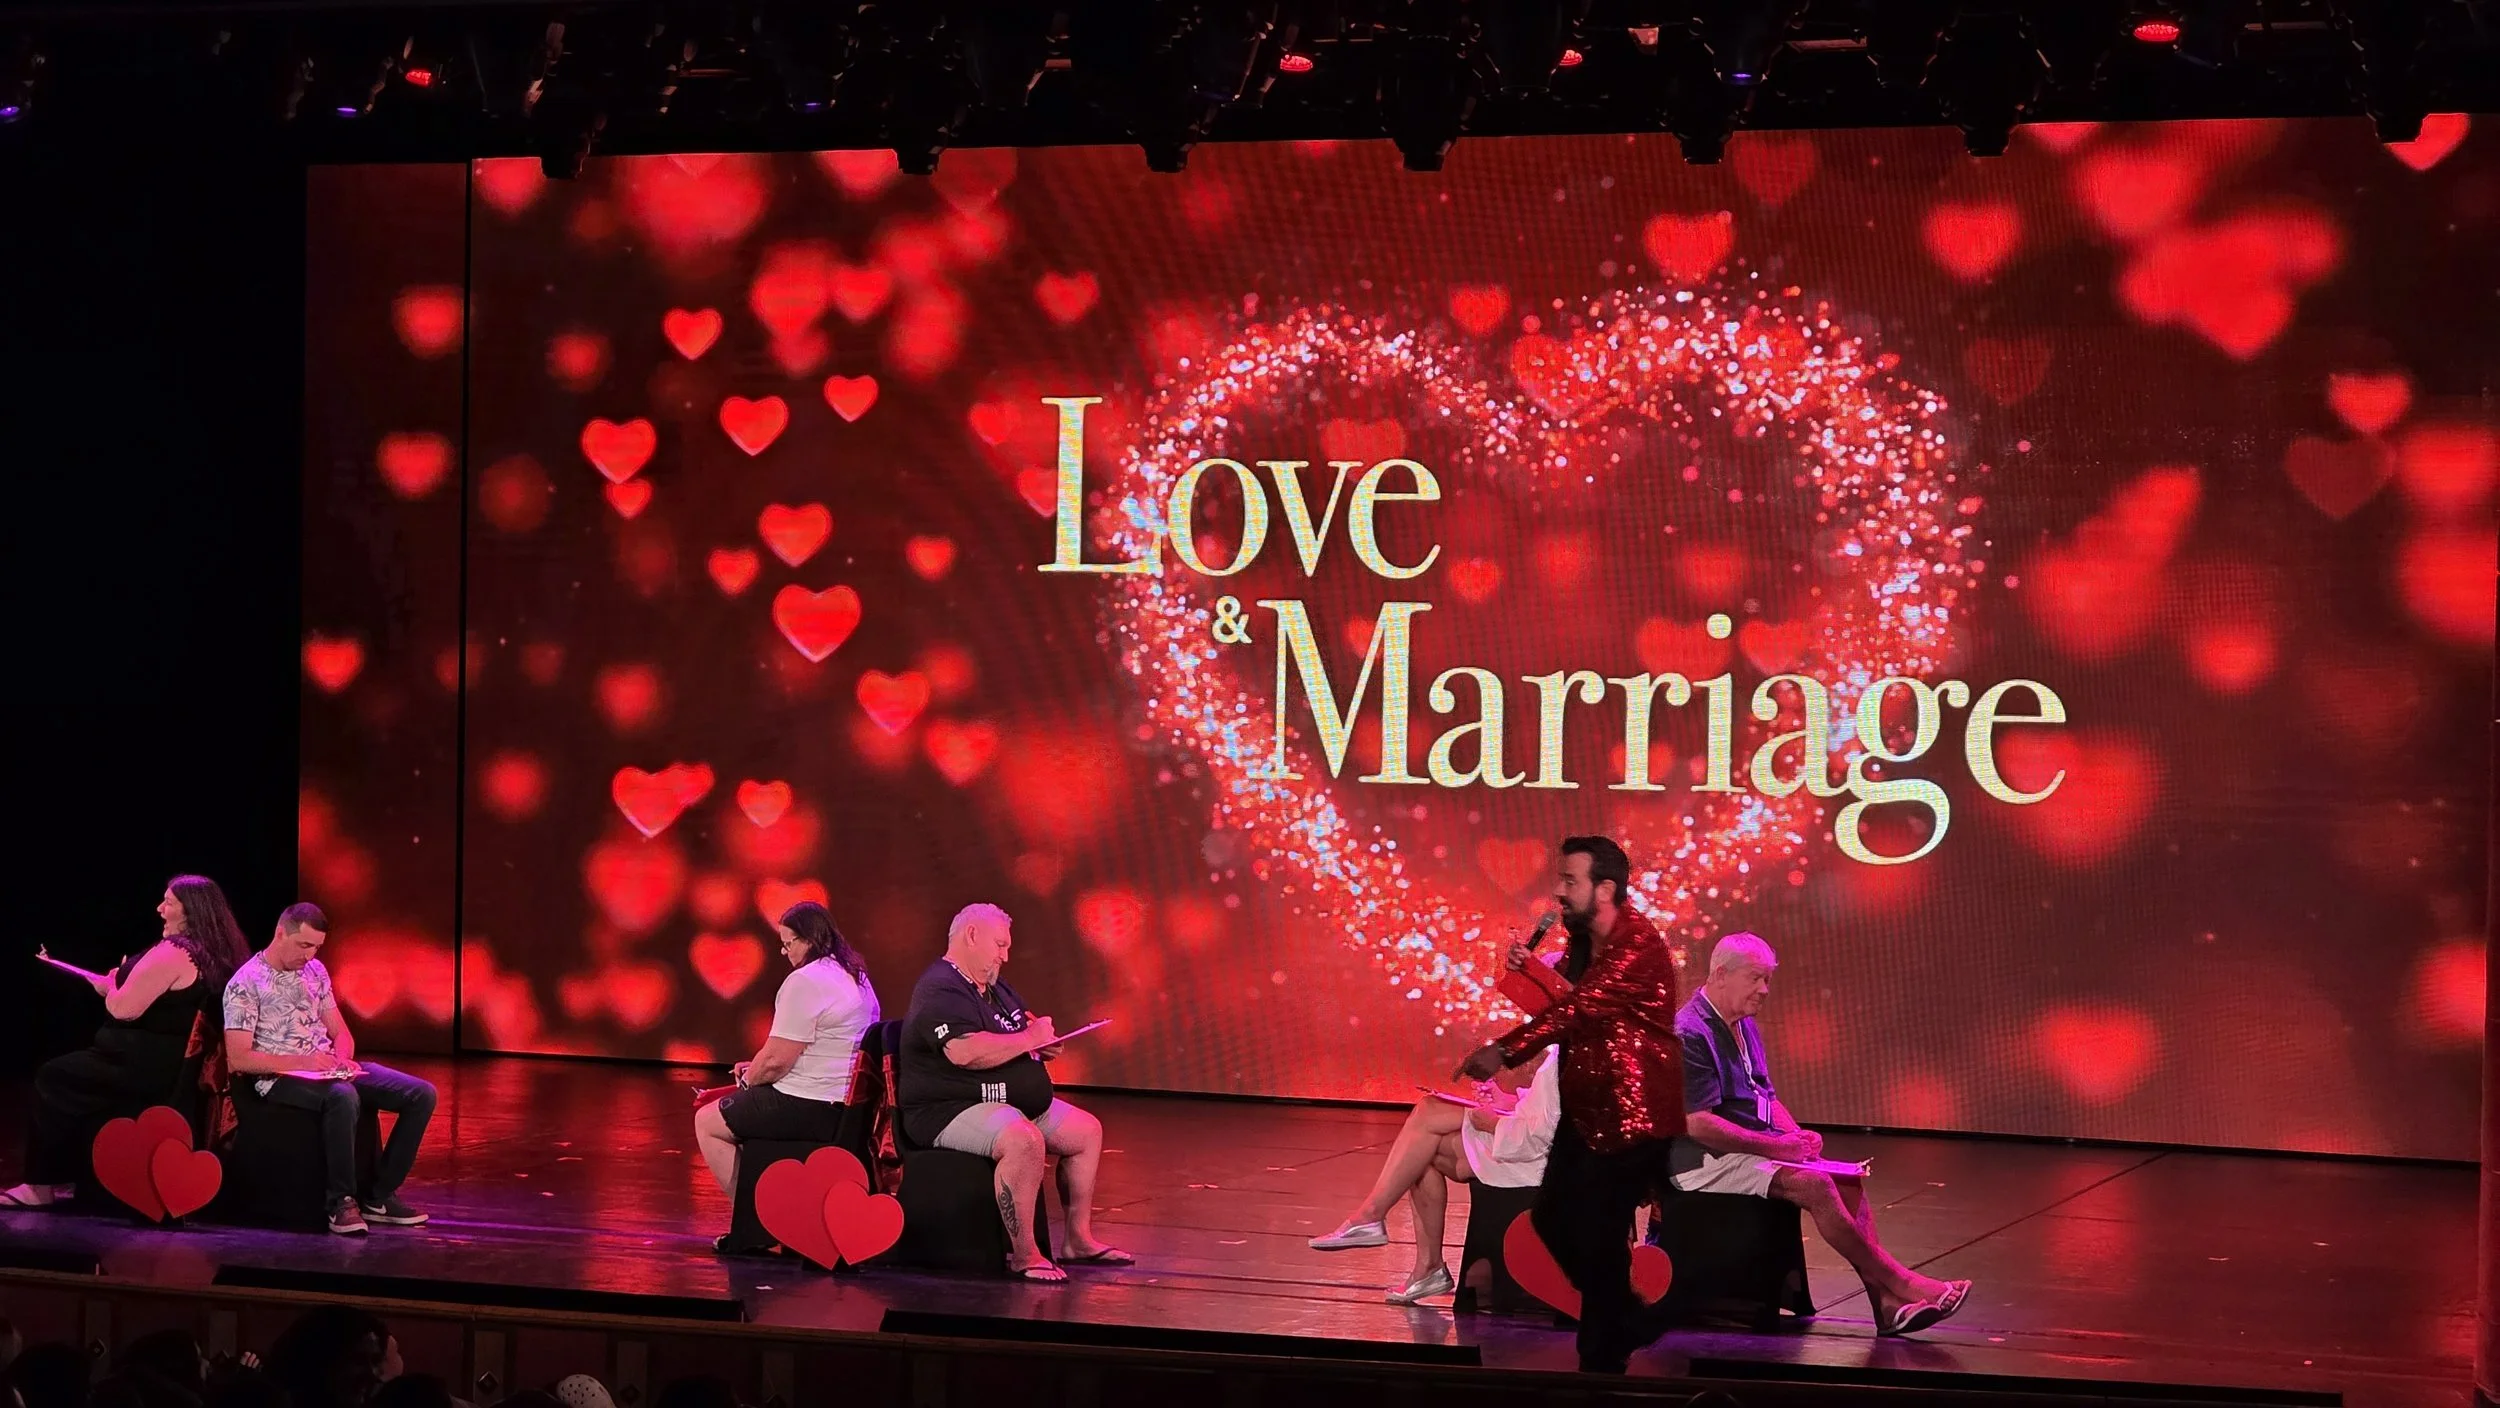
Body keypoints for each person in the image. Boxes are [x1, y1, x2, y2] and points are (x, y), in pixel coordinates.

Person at [1457, 834, 1688, 1373]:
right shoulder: (1585, 938)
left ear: (1604, 889)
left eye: (1569, 881)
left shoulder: (1638, 944)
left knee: (1600, 1230)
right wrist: (1533, 971)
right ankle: (1624, 1319)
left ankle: (1603, 1350)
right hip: (1587, 1108)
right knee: (1554, 1221)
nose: (1559, 891)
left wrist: (1503, 1051)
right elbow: (1567, 996)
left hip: (1635, 1116)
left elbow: (1577, 1011)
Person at [1671, 931, 1971, 1335]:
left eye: (1768, 981)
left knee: (1845, 1180)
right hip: (1703, 1159)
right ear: (1721, 974)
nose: (1764, 990)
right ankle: (1903, 1281)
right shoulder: (1691, 1032)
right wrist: (1778, 1145)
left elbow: (1766, 1096)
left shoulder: (1742, 1024)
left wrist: (1797, 1137)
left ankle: (1884, 1305)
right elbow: (1698, 1123)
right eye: (1756, 979)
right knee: (1814, 1186)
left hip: (1746, 1149)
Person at [897, 902, 1131, 1283]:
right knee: (1023, 1140)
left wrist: (1044, 1040)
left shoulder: (993, 985)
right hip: (951, 1108)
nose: (1005, 955)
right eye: (1000, 945)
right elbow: (964, 1052)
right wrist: (1027, 1040)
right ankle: (1025, 1254)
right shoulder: (939, 986)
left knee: (1086, 1131)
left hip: (1005, 1099)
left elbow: (1022, 1026)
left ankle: (1078, 1240)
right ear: (971, 936)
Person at [6, 876, 251, 1208]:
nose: (159, 908)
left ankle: (40, 1186)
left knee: (53, 1077)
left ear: (190, 911)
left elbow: (124, 1010)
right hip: (173, 1064)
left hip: (138, 1065)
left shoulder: (174, 952)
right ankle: (85, 1178)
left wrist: (110, 987)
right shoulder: (214, 953)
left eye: (168, 902)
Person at [224, 903, 437, 1235]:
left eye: (317, 947)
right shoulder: (245, 983)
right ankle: (341, 1203)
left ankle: (379, 1197)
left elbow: (340, 1032)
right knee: (343, 1097)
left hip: (324, 1067)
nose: (310, 954)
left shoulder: (315, 972)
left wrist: (342, 1058)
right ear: (280, 934)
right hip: (279, 1076)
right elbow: (239, 1058)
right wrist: (304, 1063)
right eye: (304, 945)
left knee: (420, 1094)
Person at [1309, 1047, 1562, 1303]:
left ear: (1524, 1065)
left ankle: (1372, 1219)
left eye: (1497, 1077)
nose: (1494, 1081)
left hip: (1533, 1163)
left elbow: (1540, 1139)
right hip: (1520, 1148)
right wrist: (1505, 1104)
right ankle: (1426, 1266)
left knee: (1428, 1114)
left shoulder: (1551, 1067)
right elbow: (1537, 1116)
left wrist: (1493, 1122)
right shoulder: (1548, 1065)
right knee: (1420, 1151)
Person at [694, 901, 879, 1241]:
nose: (784, 951)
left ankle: (755, 1225)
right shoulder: (856, 975)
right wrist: (758, 1068)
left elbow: (778, 1061)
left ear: (808, 940)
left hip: (810, 1104)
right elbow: (817, 1047)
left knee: (707, 1121)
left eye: (788, 942)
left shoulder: (806, 982)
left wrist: (748, 1082)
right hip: (845, 1104)